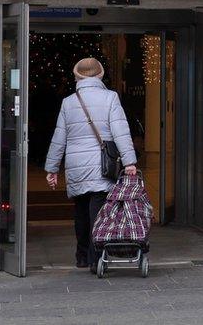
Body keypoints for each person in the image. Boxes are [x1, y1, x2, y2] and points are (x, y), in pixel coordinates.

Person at [45, 57, 138, 269]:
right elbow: (121, 131)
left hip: (76, 166)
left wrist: (52, 168)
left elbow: (59, 138)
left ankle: (81, 256)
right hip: (101, 165)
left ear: (77, 76)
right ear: (100, 74)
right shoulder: (110, 98)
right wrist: (130, 161)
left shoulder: (68, 102)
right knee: (99, 212)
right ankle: (97, 259)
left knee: (80, 211)